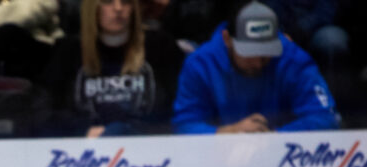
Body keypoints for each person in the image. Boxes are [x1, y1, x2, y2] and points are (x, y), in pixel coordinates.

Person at [172, 0, 339, 133]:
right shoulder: (200, 64)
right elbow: (185, 123)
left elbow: (325, 117)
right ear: (227, 39)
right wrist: (226, 133)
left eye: (266, 53)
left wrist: (275, 137)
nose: (258, 63)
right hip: (221, 157)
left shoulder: (292, 58)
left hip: (284, 155)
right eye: (250, 53)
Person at [39, 0, 184, 136]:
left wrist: (138, 131)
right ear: (92, 7)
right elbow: (44, 112)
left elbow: (182, 109)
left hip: (150, 148)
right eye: (108, 1)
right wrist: (82, 129)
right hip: (84, 153)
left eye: (125, 2)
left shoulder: (161, 47)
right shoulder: (68, 51)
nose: (118, 8)